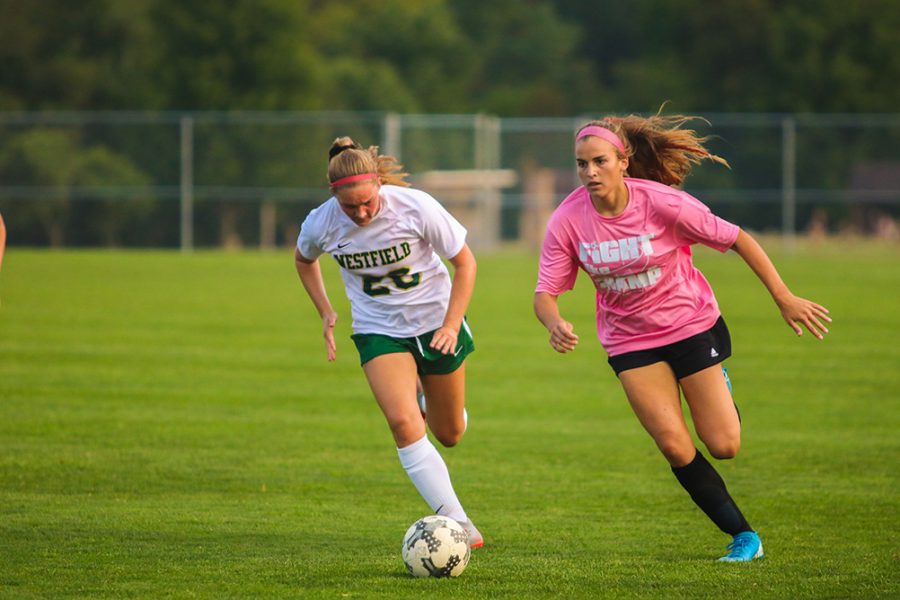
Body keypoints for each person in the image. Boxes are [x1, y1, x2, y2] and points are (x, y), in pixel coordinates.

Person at [533, 111, 831, 562]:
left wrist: (783, 297)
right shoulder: (568, 220)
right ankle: (743, 536)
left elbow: (738, 239)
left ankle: (720, 387)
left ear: (623, 161)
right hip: (629, 342)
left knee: (724, 445)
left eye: (599, 161)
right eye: (581, 164)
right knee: (673, 445)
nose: (589, 172)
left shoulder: (662, 203)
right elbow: (545, 293)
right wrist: (554, 322)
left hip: (690, 324)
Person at [294, 137, 483, 547]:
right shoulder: (321, 222)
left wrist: (451, 325)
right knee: (402, 424)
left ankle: (425, 395)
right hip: (378, 330)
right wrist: (325, 311)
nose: (361, 213)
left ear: (379, 183)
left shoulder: (416, 206)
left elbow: (465, 262)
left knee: (448, 433)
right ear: (334, 195)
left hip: (436, 325)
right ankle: (459, 523)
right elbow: (303, 259)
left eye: (367, 203)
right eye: (350, 207)